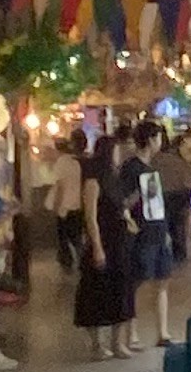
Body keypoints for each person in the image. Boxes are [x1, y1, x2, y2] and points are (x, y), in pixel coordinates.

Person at [73, 126, 138, 359]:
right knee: (96, 291)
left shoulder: (115, 179)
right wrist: (97, 246)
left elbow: (120, 207)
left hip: (120, 241)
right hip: (103, 240)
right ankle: (96, 345)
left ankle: (117, 342)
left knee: (120, 290)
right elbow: (90, 216)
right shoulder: (93, 180)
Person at [128, 120, 179, 351]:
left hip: (157, 230)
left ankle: (163, 332)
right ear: (150, 140)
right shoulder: (132, 169)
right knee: (138, 282)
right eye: (158, 137)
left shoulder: (151, 169)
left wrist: (165, 230)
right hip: (143, 233)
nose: (160, 142)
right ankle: (132, 333)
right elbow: (124, 202)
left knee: (162, 280)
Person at [47, 126, 87, 276]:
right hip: (80, 205)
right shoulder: (84, 161)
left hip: (65, 207)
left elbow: (61, 187)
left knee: (64, 237)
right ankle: (82, 262)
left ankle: (68, 263)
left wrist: (57, 207)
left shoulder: (63, 162)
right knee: (77, 236)